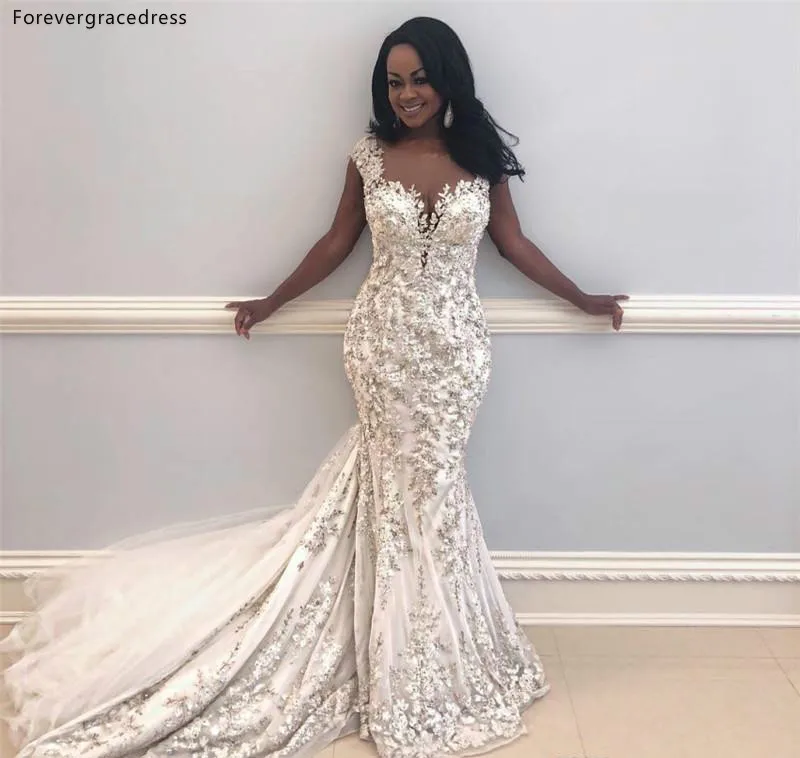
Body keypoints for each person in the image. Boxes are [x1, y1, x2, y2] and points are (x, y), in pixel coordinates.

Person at [1, 16, 627, 758]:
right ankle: (402, 652)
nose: (407, 94)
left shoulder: (481, 157)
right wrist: (272, 301)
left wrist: (583, 298)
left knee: (434, 490)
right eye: (394, 82)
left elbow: (513, 243)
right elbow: (337, 243)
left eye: (420, 79)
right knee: (401, 493)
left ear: (448, 80)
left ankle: (434, 644)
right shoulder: (369, 156)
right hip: (382, 345)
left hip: (457, 352)